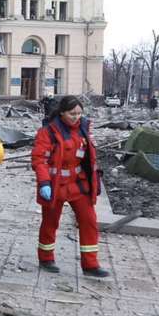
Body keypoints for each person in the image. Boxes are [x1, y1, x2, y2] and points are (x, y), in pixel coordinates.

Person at [31, 95, 109, 278]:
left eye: (79, 113)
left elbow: (90, 157)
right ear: (62, 113)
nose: (76, 117)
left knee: (89, 220)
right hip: (55, 184)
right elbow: (39, 159)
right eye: (72, 114)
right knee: (50, 222)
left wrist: (94, 180)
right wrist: (44, 182)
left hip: (78, 183)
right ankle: (46, 257)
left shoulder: (84, 128)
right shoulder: (48, 132)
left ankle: (90, 264)